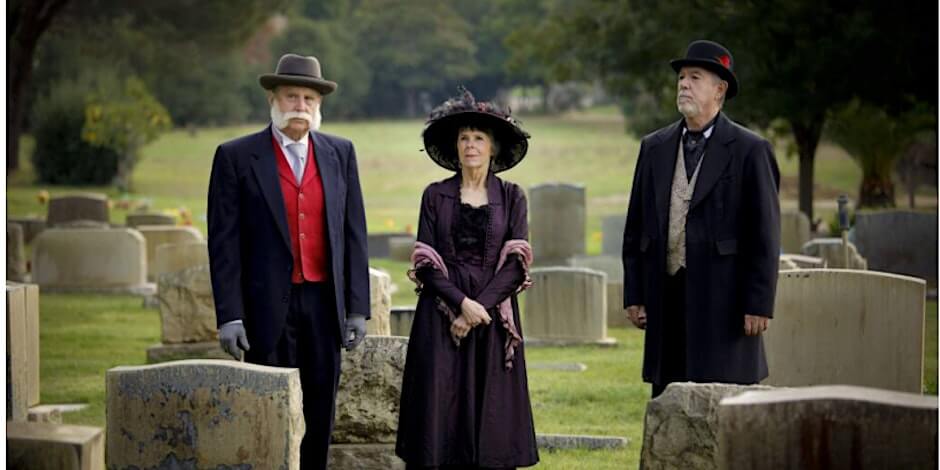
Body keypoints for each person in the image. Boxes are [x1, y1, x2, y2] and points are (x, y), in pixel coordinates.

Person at [207, 53, 370, 469]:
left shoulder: (340, 153)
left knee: (319, 410)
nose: (300, 105)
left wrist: (357, 309)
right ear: (273, 100)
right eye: (292, 95)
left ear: (319, 107)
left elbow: (353, 234)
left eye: (309, 99)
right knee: (269, 409)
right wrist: (230, 315)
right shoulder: (236, 157)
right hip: (265, 307)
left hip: (323, 304)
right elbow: (223, 245)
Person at [621, 40, 781, 398]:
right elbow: (636, 228)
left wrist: (758, 303)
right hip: (667, 296)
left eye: (695, 77)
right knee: (669, 395)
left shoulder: (751, 150)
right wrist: (635, 293)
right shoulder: (654, 147)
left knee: (723, 400)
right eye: (681, 77)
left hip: (724, 299)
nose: (683, 84)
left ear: (719, 89)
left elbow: (765, 235)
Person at [395, 87, 539, 469]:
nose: (470, 146)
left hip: (491, 320)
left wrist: (479, 308)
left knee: (490, 415)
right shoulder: (434, 195)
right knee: (438, 413)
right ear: (455, 148)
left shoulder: (512, 197)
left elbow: (515, 264)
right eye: (464, 138)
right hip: (440, 318)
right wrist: (461, 304)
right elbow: (425, 261)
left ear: (492, 148)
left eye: (478, 138)